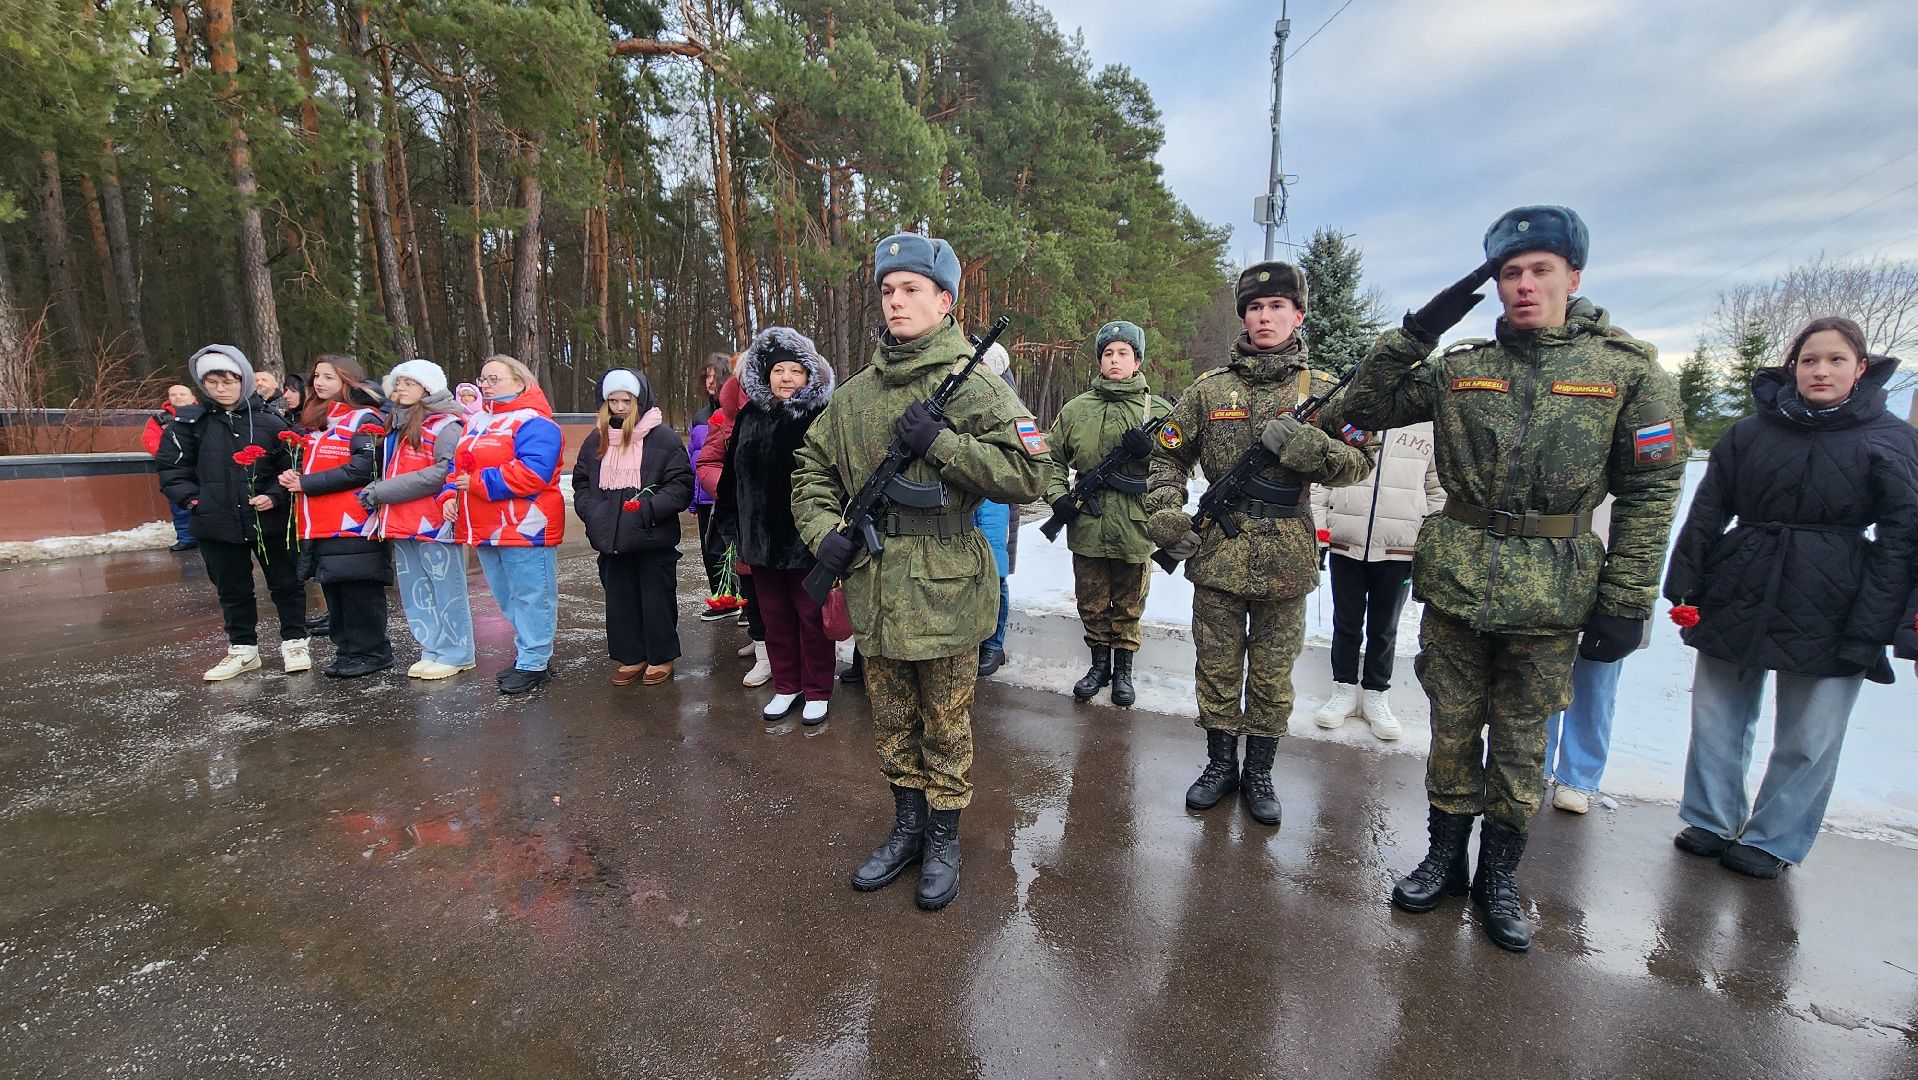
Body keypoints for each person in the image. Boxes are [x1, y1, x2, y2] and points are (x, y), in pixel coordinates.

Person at [1339, 205, 1685, 953]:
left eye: (1539, 270)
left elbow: (1652, 492)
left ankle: (1499, 877)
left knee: (1523, 746)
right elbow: (1358, 410)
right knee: (1453, 731)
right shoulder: (1462, 369)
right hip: (1460, 580)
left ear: (1573, 276)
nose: (1523, 285)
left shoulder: (1627, 373)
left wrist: (1627, 600)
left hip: (1553, 592)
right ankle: (1443, 858)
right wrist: (1418, 328)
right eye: (1509, 273)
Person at [793, 232, 1049, 911]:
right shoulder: (853, 396)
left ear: (944, 300)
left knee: (947, 725)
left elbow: (1034, 472)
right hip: (876, 584)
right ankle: (906, 829)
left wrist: (942, 443)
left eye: (911, 289)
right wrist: (824, 535)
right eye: (887, 289)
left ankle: (942, 839)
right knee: (892, 721)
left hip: (947, 588)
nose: (896, 301)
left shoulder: (976, 385)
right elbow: (810, 472)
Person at [1664, 316, 1918, 878]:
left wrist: (1881, 620)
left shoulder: (1893, 439)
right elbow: (1708, 509)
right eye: (1809, 360)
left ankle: (1774, 837)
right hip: (1742, 582)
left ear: (1862, 369)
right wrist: (1686, 581)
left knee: (1811, 732)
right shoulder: (1749, 434)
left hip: (1838, 595)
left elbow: (1904, 538)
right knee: (1717, 713)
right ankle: (1711, 817)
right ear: (1792, 367)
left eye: (1835, 360)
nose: (1821, 370)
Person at [1145, 263, 1373, 829]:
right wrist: (1165, 515)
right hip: (1217, 553)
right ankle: (1221, 764)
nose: (1264, 317)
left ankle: (1261, 772)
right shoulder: (1209, 389)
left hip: (1286, 558)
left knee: (1272, 675)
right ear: (1243, 316)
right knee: (1217, 668)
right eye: (1254, 307)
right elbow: (1167, 456)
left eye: (1276, 307)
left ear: (1297, 316)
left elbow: (1358, 463)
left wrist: (1305, 451)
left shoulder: (1321, 393)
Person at [155, 345, 308, 680]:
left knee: (286, 582)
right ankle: (243, 649)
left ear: (244, 380)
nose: (220, 388)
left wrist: (275, 496)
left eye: (228, 380)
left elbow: (294, 465)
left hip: (269, 520)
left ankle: (295, 641)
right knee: (232, 588)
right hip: (216, 521)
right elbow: (171, 469)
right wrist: (195, 501)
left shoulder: (269, 421)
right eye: (212, 382)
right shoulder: (190, 424)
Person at [1046, 321, 1173, 705]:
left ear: (1137, 361)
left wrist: (1148, 450)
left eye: (1123, 353)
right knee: (1092, 599)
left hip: (1136, 523)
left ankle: (1123, 672)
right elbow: (1050, 459)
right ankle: (1098, 666)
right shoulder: (1076, 410)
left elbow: (1177, 464)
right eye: (1107, 353)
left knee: (1130, 601)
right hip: (1088, 520)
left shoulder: (1160, 410)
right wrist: (1057, 497)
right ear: (1099, 361)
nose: (1115, 360)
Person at [715, 328, 837, 722]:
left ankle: (817, 689)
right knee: (774, 619)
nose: (786, 378)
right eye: (778, 370)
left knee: (811, 619)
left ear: (809, 375)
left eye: (795, 371)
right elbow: (732, 476)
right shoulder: (750, 416)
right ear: (765, 376)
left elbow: (837, 477)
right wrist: (729, 523)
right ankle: (787, 686)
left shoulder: (820, 418)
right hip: (759, 542)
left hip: (805, 541)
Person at [1310, 421, 1443, 740]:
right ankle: (1343, 690)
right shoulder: (1354, 417)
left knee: (1385, 627)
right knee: (1346, 622)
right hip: (1346, 541)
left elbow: (1437, 489)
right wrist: (1322, 535)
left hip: (1399, 547)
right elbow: (1324, 483)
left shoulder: (1429, 426)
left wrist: (1429, 541)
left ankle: (1376, 695)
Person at [442, 354, 566, 695]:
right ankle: (529, 652)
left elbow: (534, 473)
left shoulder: (536, 422)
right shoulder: (476, 421)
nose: (485, 385)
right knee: (506, 595)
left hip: (525, 525)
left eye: (494, 378)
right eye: (483, 379)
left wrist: (478, 483)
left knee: (532, 595)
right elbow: (459, 469)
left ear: (520, 382)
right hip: (483, 526)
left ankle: (534, 660)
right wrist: (450, 495)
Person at [572, 369, 694, 686]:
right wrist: (593, 512)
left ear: (638, 400)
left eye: (625, 400)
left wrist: (647, 509)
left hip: (652, 536)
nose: (619, 407)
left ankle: (660, 657)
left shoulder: (663, 438)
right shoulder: (595, 440)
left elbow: (680, 484)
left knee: (656, 601)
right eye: (612, 400)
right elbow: (582, 483)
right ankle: (631, 656)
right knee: (620, 601)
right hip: (610, 537)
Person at [360, 359, 475, 680]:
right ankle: (433, 646)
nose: (401, 389)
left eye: (408, 383)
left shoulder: (446, 424)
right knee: (415, 589)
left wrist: (384, 490)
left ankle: (458, 650)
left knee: (446, 587)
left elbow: (444, 471)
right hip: (401, 518)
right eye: (398, 383)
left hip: (435, 520)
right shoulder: (397, 422)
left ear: (428, 387)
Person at [280, 354, 392, 678]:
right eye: (316, 376)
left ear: (348, 380)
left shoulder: (363, 419)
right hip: (320, 522)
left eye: (329, 377)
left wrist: (306, 483)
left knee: (359, 591)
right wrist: (292, 477)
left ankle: (372, 652)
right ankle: (348, 650)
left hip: (354, 521)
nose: (318, 382)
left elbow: (364, 468)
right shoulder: (316, 421)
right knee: (336, 590)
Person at [1539, 497, 1640, 814]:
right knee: (1538, 674)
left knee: (1597, 681)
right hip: (1547, 564)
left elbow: (1651, 511)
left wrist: (1632, 593)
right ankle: (1532, 763)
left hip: (1611, 571)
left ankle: (1578, 778)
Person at [697, 372, 773, 684]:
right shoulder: (724, 417)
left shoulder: (786, 411)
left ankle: (779, 649)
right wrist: (732, 491)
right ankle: (763, 651)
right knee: (751, 586)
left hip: (784, 516)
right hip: (743, 518)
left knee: (783, 591)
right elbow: (708, 464)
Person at [974, 341, 1025, 678]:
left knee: (995, 572)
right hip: (966, 493)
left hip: (995, 499)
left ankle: (994, 645)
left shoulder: (1010, 405)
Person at [688, 352, 732, 603]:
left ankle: (738, 597)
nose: (710, 382)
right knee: (710, 549)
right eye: (707, 376)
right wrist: (693, 499)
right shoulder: (700, 417)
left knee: (731, 549)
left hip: (726, 494)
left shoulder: (736, 412)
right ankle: (719, 597)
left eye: (715, 376)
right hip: (704, 497)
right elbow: (694, 458)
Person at [143, 384, 200, 551]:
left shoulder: (204, 414)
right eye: (173, 394)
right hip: (175, 468)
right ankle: (187, 538)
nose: (178, 397)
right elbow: (150, 440)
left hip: (203, 465)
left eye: (183, 393)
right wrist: (170, 456)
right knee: (180, 505)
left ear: (192, 396)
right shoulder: (160, 419)